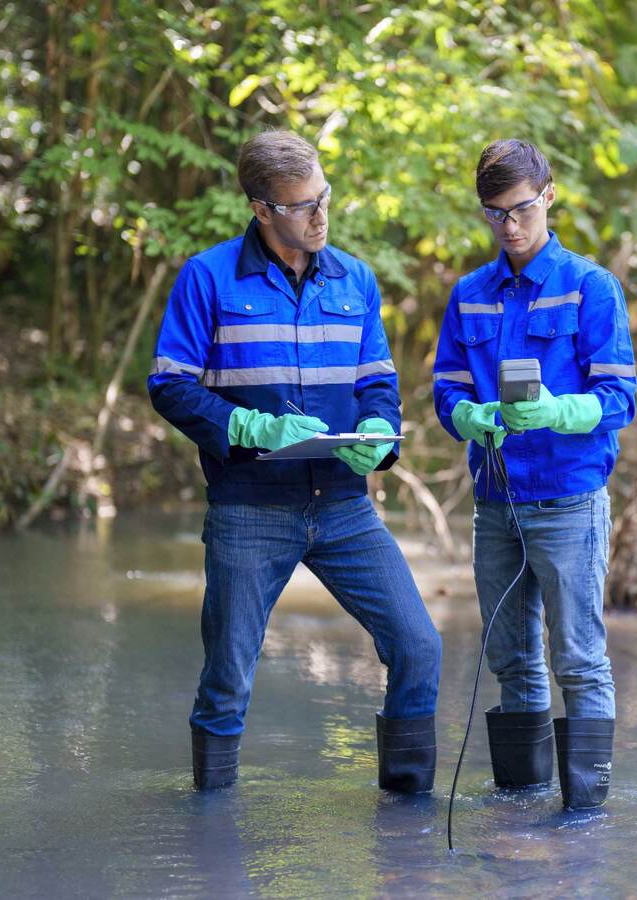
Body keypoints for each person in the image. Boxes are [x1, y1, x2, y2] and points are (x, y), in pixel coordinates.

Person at [147, 130, 441, 793]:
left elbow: (378, 385)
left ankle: (408, 826)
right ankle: (210, 843)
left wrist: (378, 430)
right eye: (302, 204)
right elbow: (170, 384)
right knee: (228, 675)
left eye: (323, 197)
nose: (319, 215)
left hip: (343, 507)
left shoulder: (356, 279)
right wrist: (248, 426)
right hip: (249, 506)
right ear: (261, 208)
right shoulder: (209, 278)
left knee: (419, 646)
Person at [432, 139, 637, 809]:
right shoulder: (470, 295)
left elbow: (619, 400)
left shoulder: (590, 287)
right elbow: (447, 390)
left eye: (520, 209)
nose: (510, 226)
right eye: (495, 214)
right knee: (512, 661)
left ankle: (584, 817)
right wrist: (470, 418)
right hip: (497, 502)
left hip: (570, 499)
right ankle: (519, 808)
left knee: (578, 658)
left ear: (548, 195)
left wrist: (557, 411)